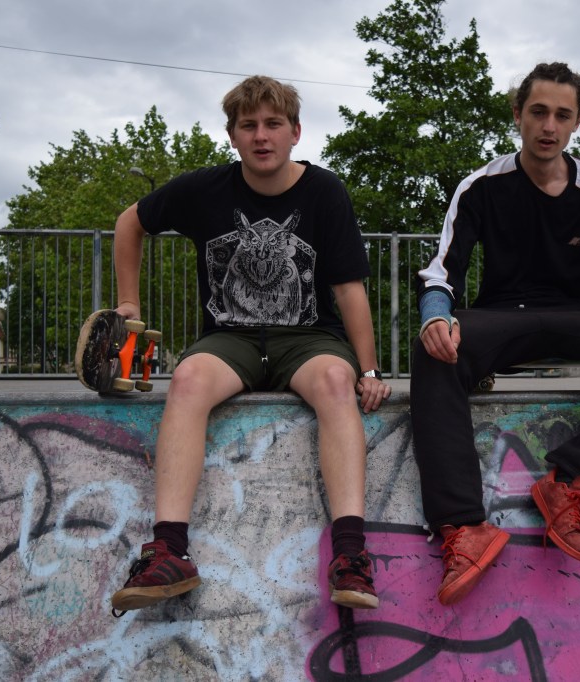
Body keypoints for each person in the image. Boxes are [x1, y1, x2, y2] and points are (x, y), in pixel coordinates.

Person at [109, 76, 391, 616]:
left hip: (309, 338)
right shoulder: (204, 189)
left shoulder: (325, 192)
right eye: (249, 126)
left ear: (295, 133)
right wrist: (128, 306)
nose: (261, 136)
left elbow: (349, 288)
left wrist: (370, 368)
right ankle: (169, 552)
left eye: (273, 124)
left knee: (336, 381)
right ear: (233, 136)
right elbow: (130, 223)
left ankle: (350, 555)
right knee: (188, 380)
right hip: (231, 337)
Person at [410, 62, 580, 606]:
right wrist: (435, 315)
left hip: (573, 316)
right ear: (518, 115)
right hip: (502, 318)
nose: (549, 126)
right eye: (538, 112)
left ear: (576, 122)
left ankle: (568, 481)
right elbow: (440, 269)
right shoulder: (482, 185)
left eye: (563, 115)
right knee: (435, 350)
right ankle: (464, 527)